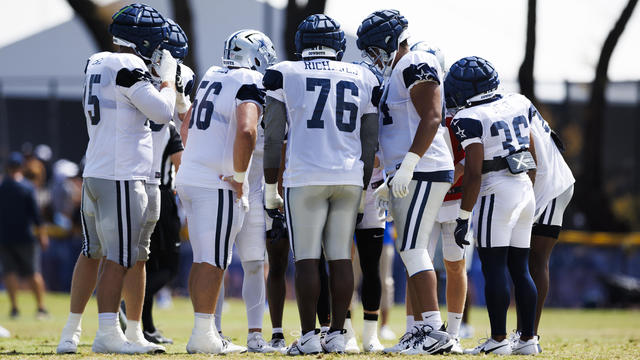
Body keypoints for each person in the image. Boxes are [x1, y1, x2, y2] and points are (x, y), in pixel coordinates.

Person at [57, 3, 177, 354]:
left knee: (98, 252)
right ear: (142, 41)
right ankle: (109, 333)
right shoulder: (129, 66)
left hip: (96, 170)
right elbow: (162, 111)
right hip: (121, 176)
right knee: (121, 257)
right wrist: (167, 79)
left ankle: (73, 331)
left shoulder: (97, 61)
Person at [263, 13, 379, 354]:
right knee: (341, 258)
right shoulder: (363, 75)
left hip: (305, 177)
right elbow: (369, 140)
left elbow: (272, 137)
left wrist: (271, 186)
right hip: (348, 175)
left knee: (307, 260)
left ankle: (310, 336)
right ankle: (339, 335)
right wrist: (362, 183)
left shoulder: (285, 72)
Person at [357, 9, 455, 355]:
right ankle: (419, 329)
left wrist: (409, 165)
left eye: (372, 48)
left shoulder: (415, 61)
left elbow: (432, 118)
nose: (370, 56)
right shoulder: (400, 68)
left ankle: (432, 329)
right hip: (409, 170)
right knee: (412, 250)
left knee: (413, 249)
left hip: (424, 168)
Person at [176, 28, 275, 354]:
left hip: (194, 175)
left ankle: (204, 331)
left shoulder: (212, 74)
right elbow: (247, 131)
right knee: (215, 260)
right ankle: (204, 335)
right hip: (218, 181)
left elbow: (187, 122)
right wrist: (237, 175)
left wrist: (192, 162)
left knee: (205, 257)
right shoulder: (250, 81)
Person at [446, 56, 540, 355]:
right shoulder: (519, 101)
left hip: (494, 191)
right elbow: (531, 151)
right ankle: (528, 340)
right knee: (521, 269)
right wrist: (527, 186)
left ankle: (498, 340)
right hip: (523, 186)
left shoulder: (469, 117)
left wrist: (463, 216)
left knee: (494, 268)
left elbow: (474, 171)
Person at [141, 18, 194, 345]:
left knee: (142, 258)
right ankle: (132, 314)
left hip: (133, 175)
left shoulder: (136, 71)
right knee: (166, 263)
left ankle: (142, 322)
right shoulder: (179, 75)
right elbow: (183, 117)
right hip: (161, 179)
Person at [512, 91, 575, 353]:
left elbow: (528, 156)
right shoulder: (512, 102)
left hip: (549, 187)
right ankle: (522, 332)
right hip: (541, 183)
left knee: (535, 259)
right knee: (522, 260)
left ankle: (529, 336)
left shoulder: (506, 109)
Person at [0, 152, 49, 319]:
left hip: (5, 237)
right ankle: (41, 308)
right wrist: (42, 235)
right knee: (33, 272)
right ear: (21, 167)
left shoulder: (2, 186)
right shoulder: (27, 187)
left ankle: (14, 309)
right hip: (26, 238)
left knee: (9, 272)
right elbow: (36, 215)